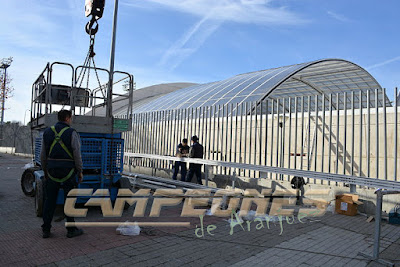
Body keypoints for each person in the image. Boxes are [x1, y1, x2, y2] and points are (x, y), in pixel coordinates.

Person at [40, 110, 84, 238]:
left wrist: (45, 170)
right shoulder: (72, 133)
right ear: (67, 118)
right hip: (68, 172)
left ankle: (46, 229)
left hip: (52, 171)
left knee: (50, 201)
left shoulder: (47, 132)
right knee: (69, 200)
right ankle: (71, 230)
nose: (71, 120)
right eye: (71, 118)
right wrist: (80, 171)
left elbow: (43, 155)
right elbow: (77, 154)